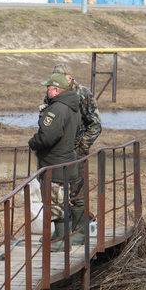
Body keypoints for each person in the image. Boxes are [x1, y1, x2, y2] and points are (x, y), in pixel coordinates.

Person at [29, 72, 86, 244]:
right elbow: (77, 135)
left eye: (48, 88)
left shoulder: (56, 109)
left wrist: (33, 142)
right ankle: (74, 235)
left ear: (55, 90)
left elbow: (47, 136)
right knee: (67, 199)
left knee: (56, 202)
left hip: (55, 164)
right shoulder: (73, 107)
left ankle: (61, 239)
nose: (46, 91)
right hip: (68, 160)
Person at [49, 63, 102, 156]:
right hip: (54, 151)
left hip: (75, 152)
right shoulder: (51, 93)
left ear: (69, 78)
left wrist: (82, 147)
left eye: (60, 78)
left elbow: (95, 124)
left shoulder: (83, 93)